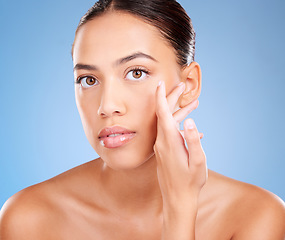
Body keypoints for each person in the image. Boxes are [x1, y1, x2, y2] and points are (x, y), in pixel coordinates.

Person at [0, 0, 284, 239]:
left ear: (189, 84)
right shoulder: (30, 219)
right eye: (88, 79)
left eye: (137, 72)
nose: (107, 106)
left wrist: (181, 209)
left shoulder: (254, 217)